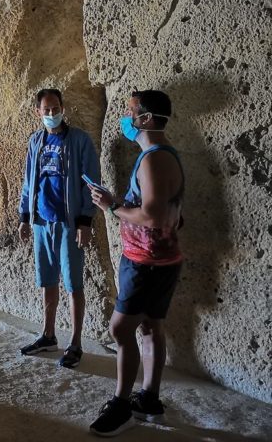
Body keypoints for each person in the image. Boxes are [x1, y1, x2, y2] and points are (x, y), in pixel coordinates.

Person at [88, 90, 184, 437]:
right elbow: (169, 213)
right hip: (162, 259)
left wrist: (111, 207)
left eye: (131, 112)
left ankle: (121, 406)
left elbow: (153, 216)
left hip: (146, 263)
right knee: (151, 327)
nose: (126, 119)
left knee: (120, 329)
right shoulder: (162, 155)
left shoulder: (154, 160)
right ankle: (148, 400)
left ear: (146, 119)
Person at [18, 88, 100, 368]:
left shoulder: (79, 140)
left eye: (55, 109)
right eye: (46, 110)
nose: (51, 114)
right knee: (47, 280)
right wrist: (25, 217)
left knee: (73, 283)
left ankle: (75, 342)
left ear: (63, 109)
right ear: (38, 112)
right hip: (42, 221)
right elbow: (29, 181)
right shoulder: (36, 141)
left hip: (68, 223)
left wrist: (85, 220)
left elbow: (90, 181)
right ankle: (48, 335)